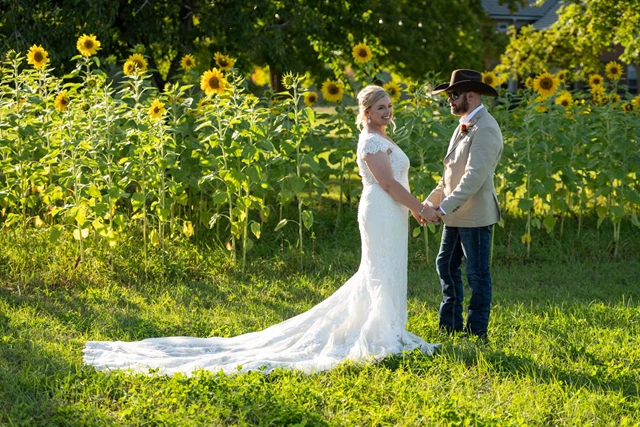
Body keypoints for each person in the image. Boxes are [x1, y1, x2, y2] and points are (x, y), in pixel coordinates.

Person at [83, 85, 439, 376]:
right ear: (366, 112)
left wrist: (415, 209)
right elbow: (389, 185)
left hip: (393, 213)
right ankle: (380, 332)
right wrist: (420, 207)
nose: (387, 111)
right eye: (380, 108)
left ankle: (388, 325)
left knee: (387, 270)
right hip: (381, 210)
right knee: (378, 270)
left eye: (389, 106)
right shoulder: (371, 142)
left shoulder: (382, 137)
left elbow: (397, 185)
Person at [424, 69, 503, 339]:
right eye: (448, 95)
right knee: (445, 264)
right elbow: (449, 176)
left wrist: (443, 208)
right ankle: (450, 326)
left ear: (471, 94)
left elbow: (473, 178)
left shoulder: (487, 127)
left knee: (477, 275)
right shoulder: (463, 125)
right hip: (455, 214)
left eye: (453, 95)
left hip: (475, 216)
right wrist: (429, 203)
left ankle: (477, 331)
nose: (449, 100)